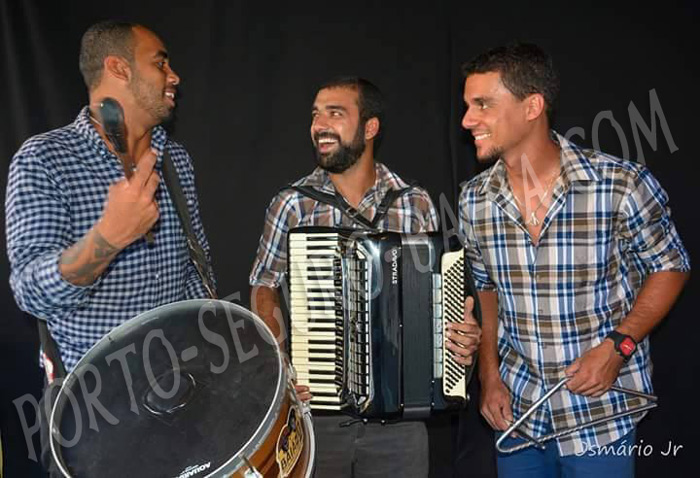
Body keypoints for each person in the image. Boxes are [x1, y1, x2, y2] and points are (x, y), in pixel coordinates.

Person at [457, 42, 690, 477]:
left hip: (599, 415)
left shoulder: (620, 184)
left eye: (483, 105)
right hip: (519, 417)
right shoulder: (474, 200)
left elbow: (671, 266)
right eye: (468, 106)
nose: (468, 120)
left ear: (532, 106)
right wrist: (488, 375)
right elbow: (486, 288)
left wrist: (620, 345)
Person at [5, 20, 213, 473]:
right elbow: (30, 292)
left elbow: (196, 281)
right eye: (160, 62)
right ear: (117, 67)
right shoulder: (45, 158)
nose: (174, 75)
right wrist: (108, 238)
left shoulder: (176, 161)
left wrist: (241, 365)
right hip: (93, 414)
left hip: (178, 403)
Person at [249, 76, 481, 477]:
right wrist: (281, 359)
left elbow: (436, 296)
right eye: (315, 114)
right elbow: (263, 287)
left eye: (335, 113)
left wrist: (461, 334)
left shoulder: (415, 201)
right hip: (317, 417)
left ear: (370, 128)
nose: (319, 124)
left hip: (402, 421)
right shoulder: (292, 204)